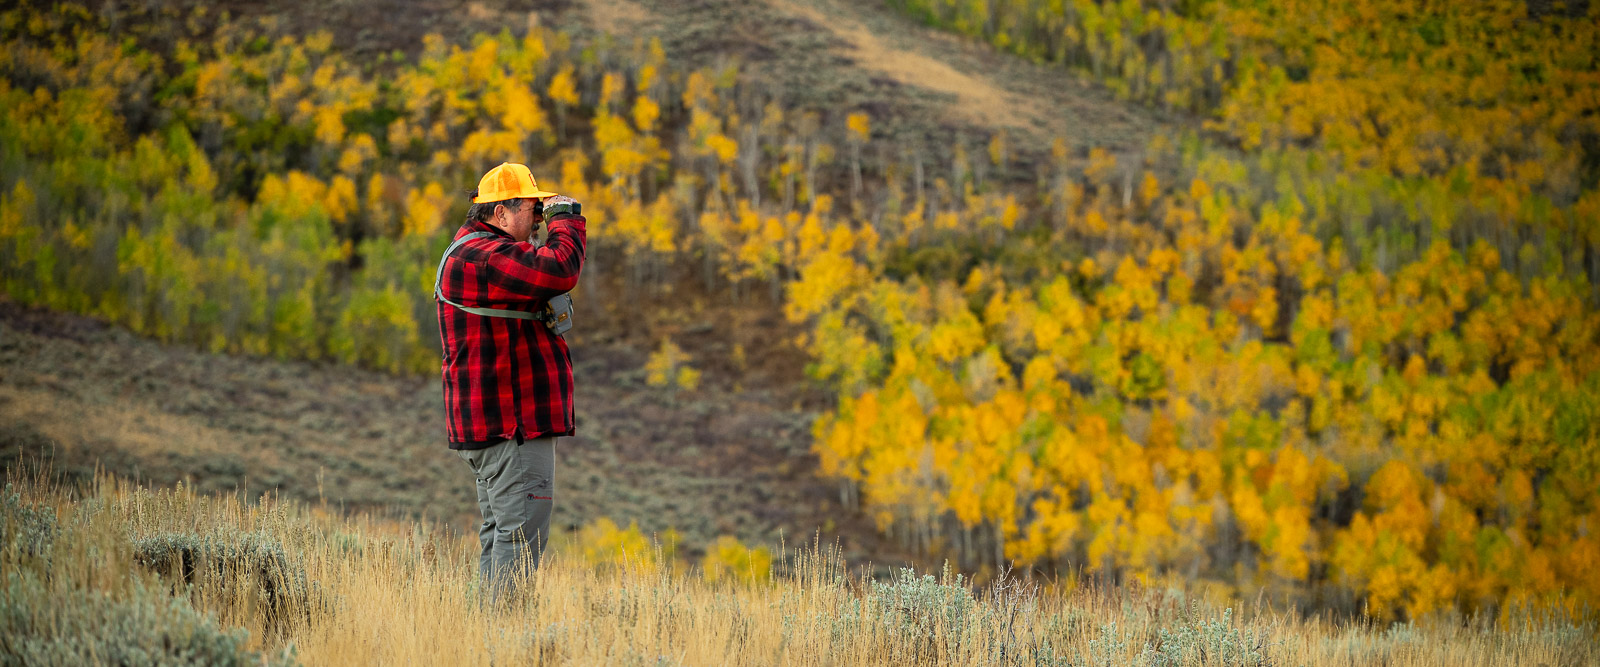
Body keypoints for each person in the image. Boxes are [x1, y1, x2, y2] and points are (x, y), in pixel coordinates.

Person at [434, 162, 585, 603]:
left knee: (501, 536)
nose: (539, 218)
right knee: (520, 543)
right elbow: (561, 268)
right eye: (533, 209)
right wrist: (567, 220)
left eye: (543, 210)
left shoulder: (475, 252)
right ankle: (505, 640)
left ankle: (485, 639)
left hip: (498, 426)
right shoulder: (485, 257)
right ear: (499, 213)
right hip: (512, 428)